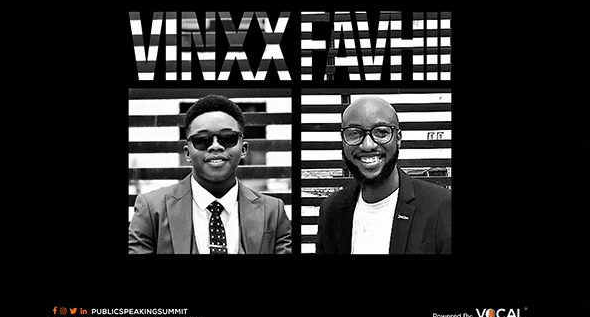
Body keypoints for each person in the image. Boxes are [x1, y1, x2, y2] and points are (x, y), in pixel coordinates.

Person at [129, 94, 292, 254]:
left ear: (243, 149)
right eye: (202, 139)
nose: (215, 146)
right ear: (187, 153)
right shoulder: (152, 209)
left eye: (228, 138)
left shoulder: (273, 212)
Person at [315, 96, 451, 254]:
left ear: (398, 138)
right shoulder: (331, 210)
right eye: (354, 133)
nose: (368, 145)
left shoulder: (441, 208)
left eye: (381, 132)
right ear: (343, 140)